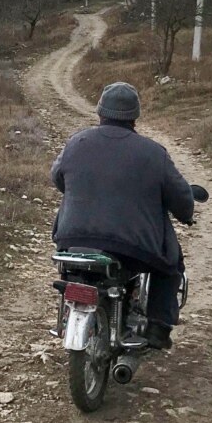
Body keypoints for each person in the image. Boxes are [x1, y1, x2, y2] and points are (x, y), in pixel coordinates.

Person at [50, 81, 195, 349]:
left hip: (72, 240)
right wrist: (186, 214)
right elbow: (181, 198)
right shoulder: (154, 153)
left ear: (100, 112)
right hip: (132, 249)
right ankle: (158, 328)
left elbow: (59, 179)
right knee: (170, 263)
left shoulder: (76, 143)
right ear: (135, 116)